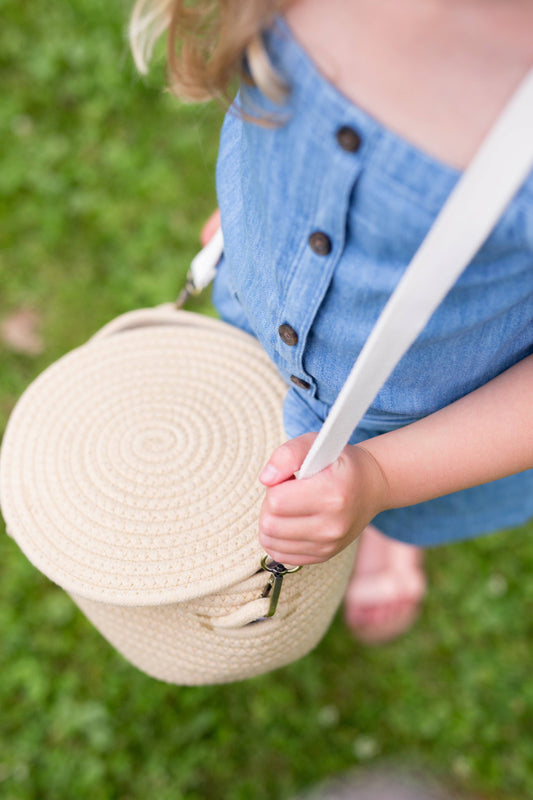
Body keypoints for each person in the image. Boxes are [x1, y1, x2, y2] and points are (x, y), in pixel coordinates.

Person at [129, 0, 533, 643]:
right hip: (259, 313)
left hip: (432, 418)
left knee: (351, 501)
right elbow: (288, 141)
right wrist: (252, 212)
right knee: (303, 496)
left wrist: (382, 478)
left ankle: (381, 524)